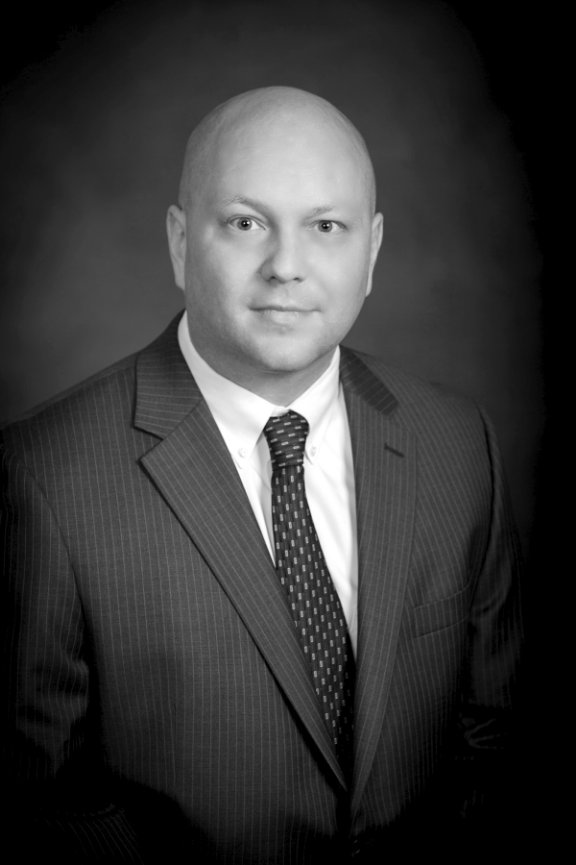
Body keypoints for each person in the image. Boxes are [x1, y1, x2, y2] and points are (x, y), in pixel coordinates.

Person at [1, 86, 523, 863]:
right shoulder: (43, 477)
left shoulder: (457, 443)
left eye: (326, 227)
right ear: (181, 241)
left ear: (372, 251)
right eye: (246, 223)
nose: (287, 267)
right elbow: (42, 797)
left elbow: (491, 735)